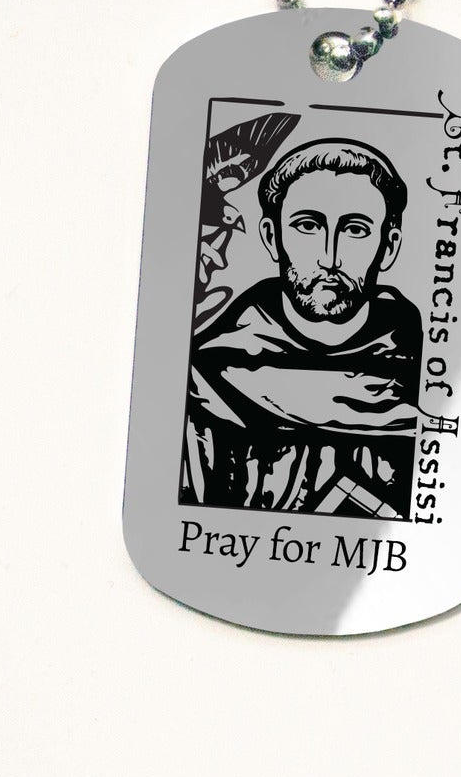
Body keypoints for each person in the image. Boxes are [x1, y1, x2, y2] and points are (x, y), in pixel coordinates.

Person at [181, 136, 427, 518]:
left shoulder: (426, 378)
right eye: (308, 226)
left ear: (389, 246)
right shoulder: (207, 380)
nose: (330, 257)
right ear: (271, 237)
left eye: (355, 230)